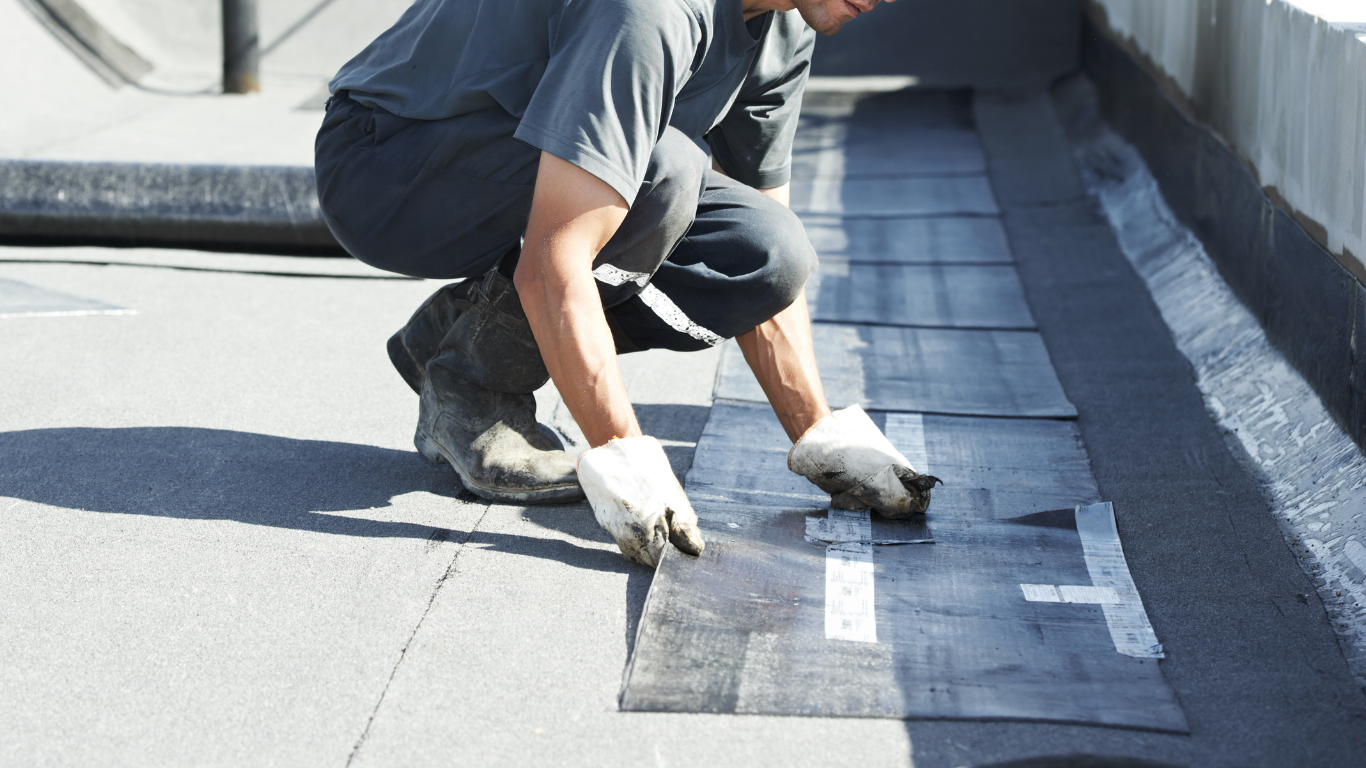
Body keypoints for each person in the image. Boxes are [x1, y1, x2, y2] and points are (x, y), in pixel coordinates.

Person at [315, 0, 937, 568]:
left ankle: (458, 332)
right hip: (388, 161)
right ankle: (472, 390)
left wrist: (820, 435)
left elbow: (763, 229)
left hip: (520, 165)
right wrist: (623, 453)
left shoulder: (784, 24)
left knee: (766, 252)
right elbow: (556, 256)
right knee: (661, 174)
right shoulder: (650, 11)